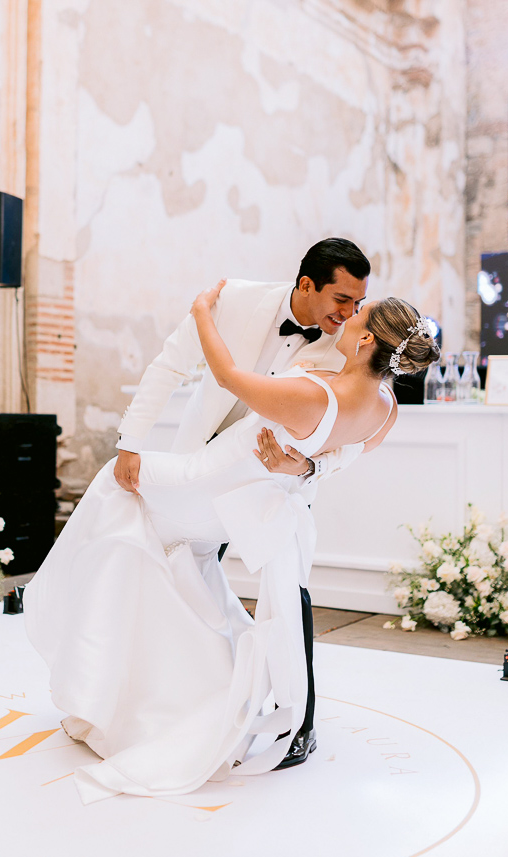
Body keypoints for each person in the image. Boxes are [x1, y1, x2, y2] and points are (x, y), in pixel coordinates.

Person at [24, 287, 439, 806]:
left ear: (367, 341)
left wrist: (201, 312)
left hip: (202, 484)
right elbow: (351, 452)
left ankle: (96, 663)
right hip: (233, 505)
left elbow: (226, 377)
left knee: (115, 484)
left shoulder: (312, 396)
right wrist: (309, 464)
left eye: (360, 315)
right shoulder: (385, 408)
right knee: (150, 551)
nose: (349, 316)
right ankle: (139, 689)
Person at [115, 238, 372, 769]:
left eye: (357, 303)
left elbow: (356, 433)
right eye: (342, 299)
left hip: (275, 483)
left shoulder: (346, 348)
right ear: (307, 285)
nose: (349, 314)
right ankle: (187, 702)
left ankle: (299, 722)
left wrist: (309, 469)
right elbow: (168, 366)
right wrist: (130, 442)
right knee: (180, 575)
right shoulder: (233, 300)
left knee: (287, 594)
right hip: (201, 466)